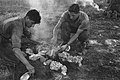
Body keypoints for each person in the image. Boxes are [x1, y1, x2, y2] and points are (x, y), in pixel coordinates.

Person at [0, 9, 43, 80]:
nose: (32, 26)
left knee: (21, 50)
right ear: (27, 18)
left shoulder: (20, 20)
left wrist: (35, 40)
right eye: (32, 23)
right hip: (2, 39)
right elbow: (16, 49)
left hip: (5, 36)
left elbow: (25, 31)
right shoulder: (17, 27)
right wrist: (28, 65)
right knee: (15, 59)